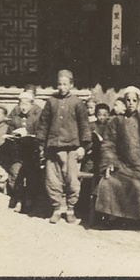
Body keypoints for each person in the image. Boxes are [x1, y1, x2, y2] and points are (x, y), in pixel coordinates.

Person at [94, 86, 140, 224]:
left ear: (138, 102)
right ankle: (118, 217)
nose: (131, 103)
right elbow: (109, 144)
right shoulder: (116, 121)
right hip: (121, 167)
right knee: (109, 182)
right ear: (125, 102)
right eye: (128, 100)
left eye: (134, 100)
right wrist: (109, 163)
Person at [36, 69, 91, 224]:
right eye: (59, 84)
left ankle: (70, 209)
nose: (61, 87)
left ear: (71, 85)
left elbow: (84, 126)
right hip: (53, 148)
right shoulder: (51, 102)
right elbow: (43, 124)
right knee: (52, 180)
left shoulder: (77, 103)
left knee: (72, 180)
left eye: (65, 84)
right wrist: (41, 144)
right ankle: (56, 209)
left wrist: (83, 147)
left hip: (72, 148)